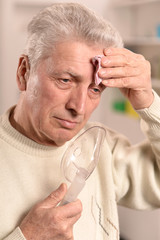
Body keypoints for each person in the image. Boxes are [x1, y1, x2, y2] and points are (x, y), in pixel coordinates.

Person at [0, 2, 160, 240]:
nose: (80, 107)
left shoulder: (101, 147)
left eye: (95, 89)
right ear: (24, 72)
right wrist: (26, 236)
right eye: (65, 80)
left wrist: (149, 103)